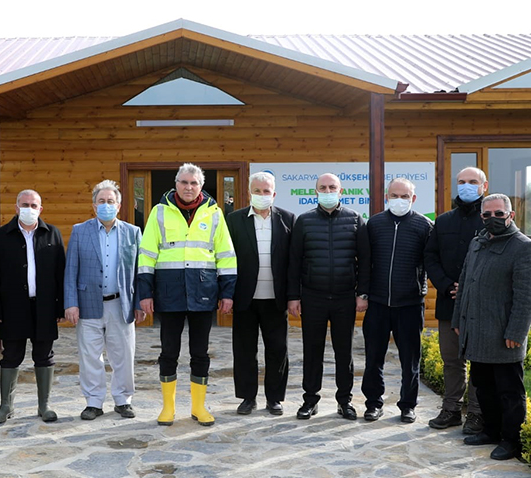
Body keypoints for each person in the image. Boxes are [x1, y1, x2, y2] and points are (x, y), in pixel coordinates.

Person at [137, 163, 237, 427]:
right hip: (168, 293)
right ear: (176, 184)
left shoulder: (215, 213)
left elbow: (226, 256)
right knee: (169, 352)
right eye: (184, 182)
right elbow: (146, 255)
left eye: (194, 183)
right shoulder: (159, 212)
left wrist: (228, 293)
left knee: (200, 353)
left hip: (203, 293)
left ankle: (198, 407)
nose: (189, 187)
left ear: (201, 186)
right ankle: (168, 408)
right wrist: (145, 293)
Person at [451, 193, 531, 461]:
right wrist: (458, 320)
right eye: (487, 215)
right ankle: (490, 431)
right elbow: (464, 283)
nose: (493, 219)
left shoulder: (524, 247)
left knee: (509, 392)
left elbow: (527, 296)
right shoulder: (477, 244)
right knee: (483, 386)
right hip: (477, 332)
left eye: (499, 214)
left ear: (511, 215)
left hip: (504, 335)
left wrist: (516, 331)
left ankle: (511, 440)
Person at [287, 172, 370, 421]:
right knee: (312, 351)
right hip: (313, 297)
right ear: (316, 192)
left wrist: (362, 294)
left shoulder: (356, 220)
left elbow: (366, 261)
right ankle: (310, 400)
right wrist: (293, 296)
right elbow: (294, 262)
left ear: (341, 191)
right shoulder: (304, 221)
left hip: (345, 297)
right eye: (322, 187)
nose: (327, 190)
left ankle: (345, 402)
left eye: (332, 186)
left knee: (344, 353)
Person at [64, 180, 144, 420]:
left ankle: (123, 400)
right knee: (90, 356)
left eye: (111, 201)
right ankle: (94, 402)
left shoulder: (133, 232)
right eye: (102, 201)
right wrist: (71, 302)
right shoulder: (80, 231)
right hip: (88, 302)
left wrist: (139, 302)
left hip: (121, 304)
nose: (106, 205)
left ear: (118, 206)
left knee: (124, 355)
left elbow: (139, 270)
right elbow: (71, 270)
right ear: (94, 205)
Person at [0, 189, 66, 424]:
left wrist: (60, 308)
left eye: (34, 205)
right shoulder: (1, 236)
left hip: (44, 307)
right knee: (11, 356)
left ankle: (44, 405)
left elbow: (60, 273)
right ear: (16, 207)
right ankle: (5, 406)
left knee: (44, 356)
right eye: (25, 204)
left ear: (41, 209)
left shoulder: (53, 234)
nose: (29, 209)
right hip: (12, 308)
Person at [360, 178, 433, 423]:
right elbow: (365, 263)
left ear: (413, 199)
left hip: (410, 304)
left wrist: (421, 289)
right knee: (373, 358)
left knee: (410, 360)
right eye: (394, 195)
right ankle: (373, 403)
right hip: (378, 303)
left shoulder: (425, 226)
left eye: (404, 196)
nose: (398, 200)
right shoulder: (375, 224)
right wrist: (363, 294)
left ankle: (408, 405)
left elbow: (430, 262)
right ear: (386, 197)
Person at [424, 166, 488, 434]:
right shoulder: (443, 221)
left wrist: (470, 287)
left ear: (484, 186)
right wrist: (448, 285)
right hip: (449, 301)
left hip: (481, 304)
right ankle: (451, 409)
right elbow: (431, 257)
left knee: (479, 359)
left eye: (472, 182)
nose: (466, 186)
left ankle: (476, 413)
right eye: (461, 181)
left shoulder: (491, 220)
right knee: (452, 359)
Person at [225, 171, 295, 416]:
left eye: (266, 191)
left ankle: (274, 398)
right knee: (244, 350)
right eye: (258, 191)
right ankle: (247, 398)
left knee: (277, 350)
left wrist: (293, 296)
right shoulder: (233, 220)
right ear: (249, 193)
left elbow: (293, 262)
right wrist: (227, 294)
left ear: (274, 194)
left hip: (276, 299)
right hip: (245, 297)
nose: (262, 195)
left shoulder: (288, 219)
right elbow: (226, 260)